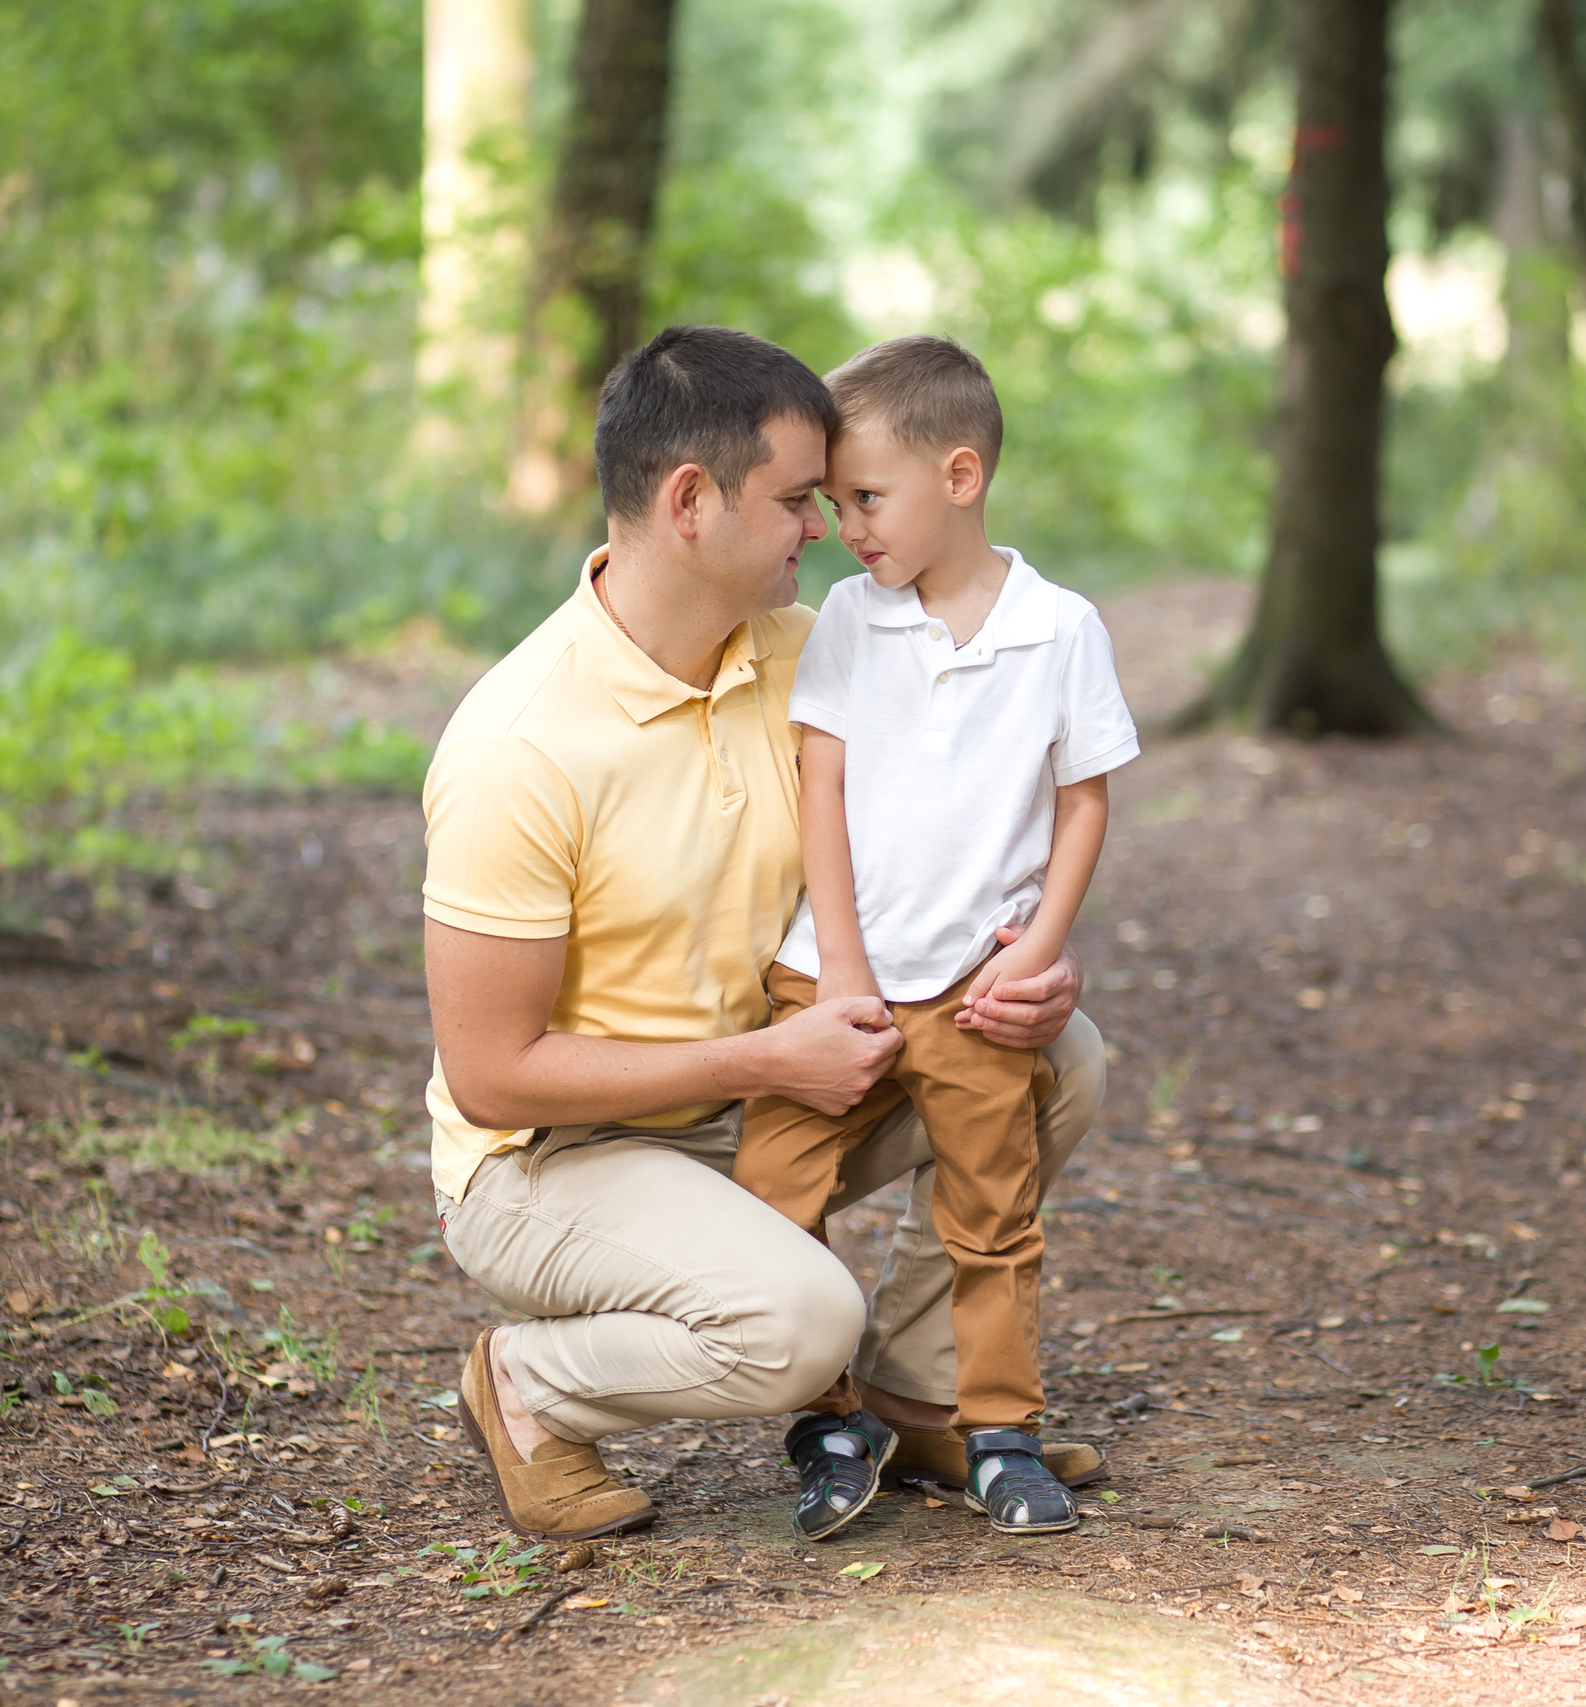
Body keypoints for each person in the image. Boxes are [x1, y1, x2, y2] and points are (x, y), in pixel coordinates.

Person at [420, 325, 1108, 1543]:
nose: (826, 527)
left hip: (771, 1090)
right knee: (796, 1324)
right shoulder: (517, 749)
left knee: (1058, 1058)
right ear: (690, 502)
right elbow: (490, 1074)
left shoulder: (818, 650)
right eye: (798, 499)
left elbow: (967, 828)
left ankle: (914, 1394)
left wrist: (1025, 956)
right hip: (558, 1155)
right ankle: (530, 1384)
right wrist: (761, 1063)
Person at [733, 337, 1138, 1540]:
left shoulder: (1060, 630)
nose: (845, 526)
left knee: (992, 1214)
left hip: (972, 987)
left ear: (959, 477)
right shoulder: (852, 622)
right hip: (832, 973)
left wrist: (1040, 945)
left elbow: (1084, 798)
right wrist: (841, 970)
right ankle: (831, 1419)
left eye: (865, 497)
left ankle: (995, 1433)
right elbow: (821, 785)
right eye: (836, 502)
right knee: (772, 1198)